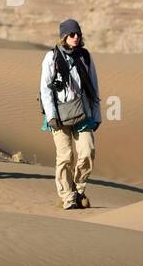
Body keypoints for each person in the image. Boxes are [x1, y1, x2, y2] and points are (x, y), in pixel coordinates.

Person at [39, 19, 101, 210]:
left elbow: (93, 87)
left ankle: (78, 189)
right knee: (65, 156)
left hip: (83, 113)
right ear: (64, 36)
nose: (76, 37)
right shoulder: (52, 57)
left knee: (87, 151)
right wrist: (51, 116)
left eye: (78, 34)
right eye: (72, 34)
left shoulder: (85, 57)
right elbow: (45, 88)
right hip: (59, 115)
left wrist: (97, 115)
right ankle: (67, 197)